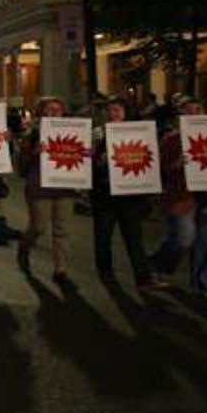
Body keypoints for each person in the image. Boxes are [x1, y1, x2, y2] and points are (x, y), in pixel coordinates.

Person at [154, 97, 207, 300]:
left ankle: (201, 284)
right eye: (187, 112)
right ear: (180, 118)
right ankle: (158, 264)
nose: (194, 114)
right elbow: (158, 172)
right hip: (181, 196)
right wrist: (176, 164)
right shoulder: (170, 140)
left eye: (198, 110)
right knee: (184, 238)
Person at [91, 97, 164, 291]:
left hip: (129, 195)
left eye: (117, 110)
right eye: (110, 110)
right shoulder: (96, 135)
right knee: (103, 236)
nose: (113, 114)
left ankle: (143, 278)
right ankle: (106, 273)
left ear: (125, 113)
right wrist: (99, 161)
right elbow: (86, 165)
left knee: (134, 237)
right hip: (104, 194)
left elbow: (147, 160)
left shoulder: (137, 133)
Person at [19, 96, 78, 290]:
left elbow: (81, 156)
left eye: (58, 109)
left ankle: (60, 270)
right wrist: (33, 152)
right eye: (49, 109)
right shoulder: (32, 133)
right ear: (41, 113)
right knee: (39, 227)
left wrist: (86, 154)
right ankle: (24, 247)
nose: (54, 112)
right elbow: (21, 166)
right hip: (39, 186)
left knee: (62, 230)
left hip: (64, 185)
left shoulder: (74, 131)